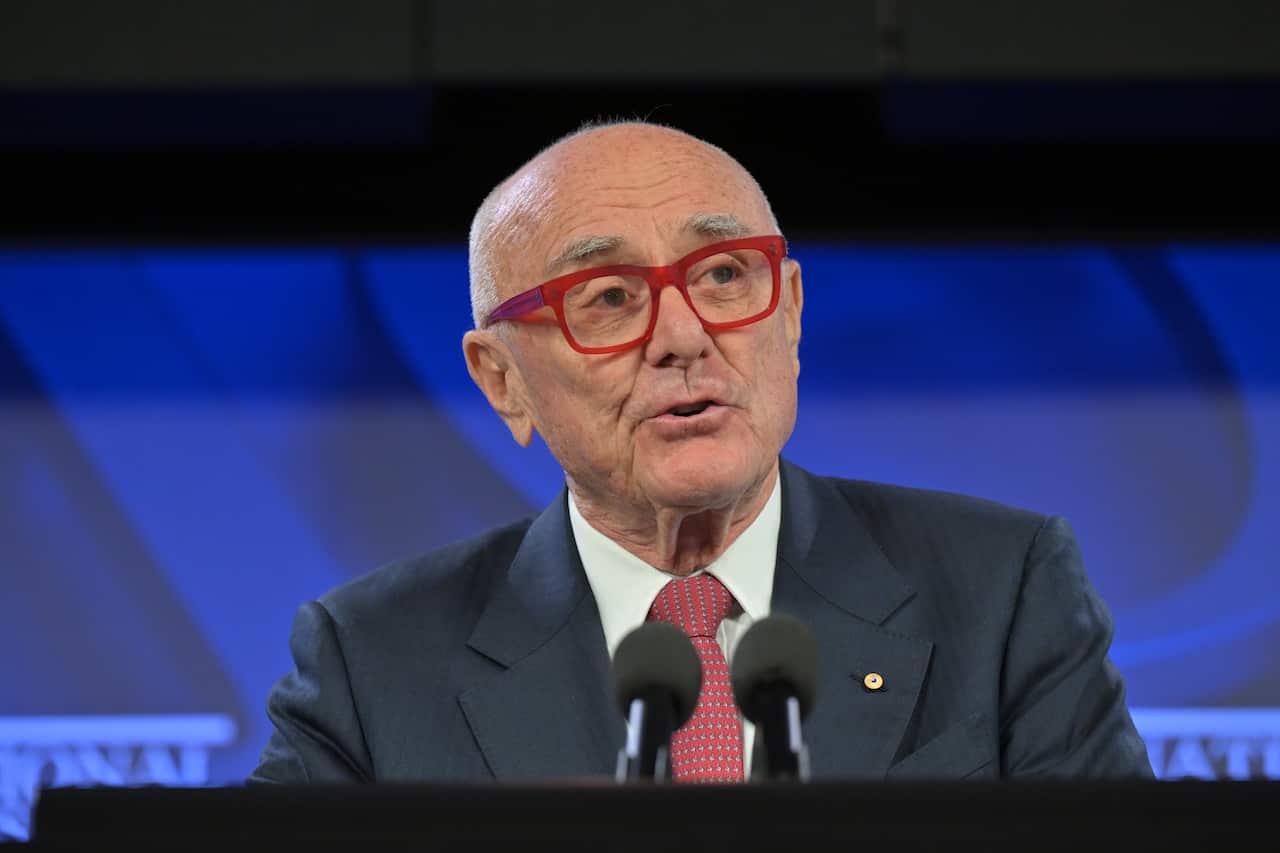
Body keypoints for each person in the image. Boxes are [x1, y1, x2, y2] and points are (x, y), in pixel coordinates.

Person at [250, 121, 1153, 784]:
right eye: (606, 296)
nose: (683, 335)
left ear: (791, 311)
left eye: (725, 275)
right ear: (502, 380)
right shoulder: (368, 665)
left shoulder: (1006, 593)